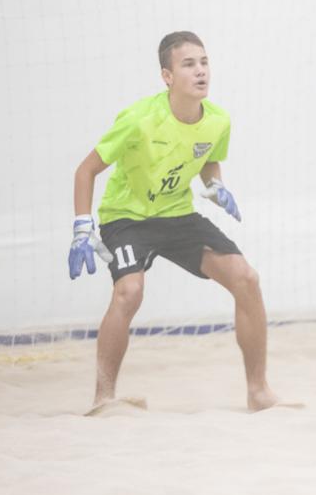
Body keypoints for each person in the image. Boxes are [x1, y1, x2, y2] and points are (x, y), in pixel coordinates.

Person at [69, 30, 279, 415]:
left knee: (246, 279)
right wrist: (82, 226)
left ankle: (258, 391)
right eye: (188, 64)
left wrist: (215, 186)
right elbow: (86, 170)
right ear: (167, 76)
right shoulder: (138, 119)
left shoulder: (217, 120)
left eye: (204, 62)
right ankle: (103, 397)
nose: (201, 71)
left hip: (178, 215)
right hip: (126, 217)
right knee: (129, 292)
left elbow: (208, 159)